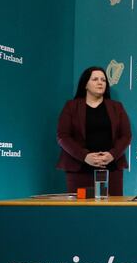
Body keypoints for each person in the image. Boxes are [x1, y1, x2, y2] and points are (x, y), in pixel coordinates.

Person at [57, 66, 132, 196]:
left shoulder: (117, 107)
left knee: (111, 212)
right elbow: (63, 136)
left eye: (103, 80)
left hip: (111, 169)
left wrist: (112, 155)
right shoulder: (71, 106)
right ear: (85, 84)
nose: (100, 82)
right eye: (95, 79)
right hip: (79, 170)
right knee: (80, 214)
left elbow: (126, 136)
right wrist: (84, 156)